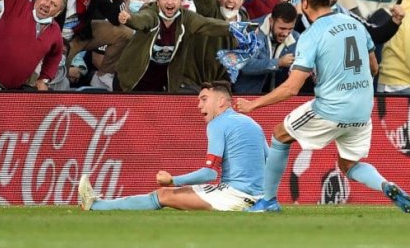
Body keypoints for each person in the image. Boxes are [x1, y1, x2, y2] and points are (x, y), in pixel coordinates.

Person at [235, 0, 410, 214]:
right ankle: (385, 185)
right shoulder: (355, 25)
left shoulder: (311, 35)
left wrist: (253, 105)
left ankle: (268, 201)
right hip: (363, 110)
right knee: (348, 164)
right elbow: (374, 68)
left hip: (331, 108)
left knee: (280, 135)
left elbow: (291, 88)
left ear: (305, 3)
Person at [78, 80, 268, 212]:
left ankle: (95, 205)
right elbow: (269, 161)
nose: (199, 105)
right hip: (258, 198)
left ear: (221, 102)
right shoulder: (253, 123)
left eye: (204, 99)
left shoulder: (217, 123)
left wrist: (173, 180)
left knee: (164, 195)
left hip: (233, 196)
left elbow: (210, 173)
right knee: (170, 194)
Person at [115, 0, 235, 92]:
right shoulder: (151, 14)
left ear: (181, 0)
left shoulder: (187, 18)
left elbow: (209, 24)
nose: (170, 2)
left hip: (161, 84)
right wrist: (129, 19)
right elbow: (142, 19)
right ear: (157, 0)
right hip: (131, 81)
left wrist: (238, 28)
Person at [234, 2, 298, 93]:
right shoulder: (252, 31)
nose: (286, 34)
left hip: (277, 98)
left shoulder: (295, 37)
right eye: (282, 28)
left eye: (290, 29)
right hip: (247, 95)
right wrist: (278, 63)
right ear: (271, 21)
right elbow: (245, 66)